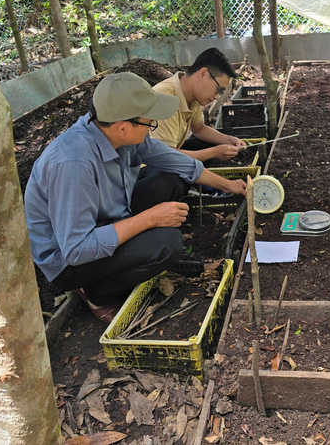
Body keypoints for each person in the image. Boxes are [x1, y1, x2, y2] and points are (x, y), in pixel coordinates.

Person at [24, 72, 247, 323]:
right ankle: (97, 293)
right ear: (123, 126)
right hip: (70, 260)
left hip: (106, 220)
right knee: (167, 244)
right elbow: (77, 248)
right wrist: (150, 218)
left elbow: (173, 160)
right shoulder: (73, 164)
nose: (153, 124)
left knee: (169, 178)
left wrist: (228, 185)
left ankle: (121, 263)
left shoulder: (113, 131)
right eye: (149, 121)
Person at [149, 48, 247, 162]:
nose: (217, 97)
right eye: (219, 90)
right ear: (203, 73)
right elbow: (166, 157)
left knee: (206, 145)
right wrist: (214, 152)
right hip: (147, 167)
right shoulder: (165, 98)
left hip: (168, 152)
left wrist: (229, 140)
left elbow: (199, 129)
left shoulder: (191, 97)